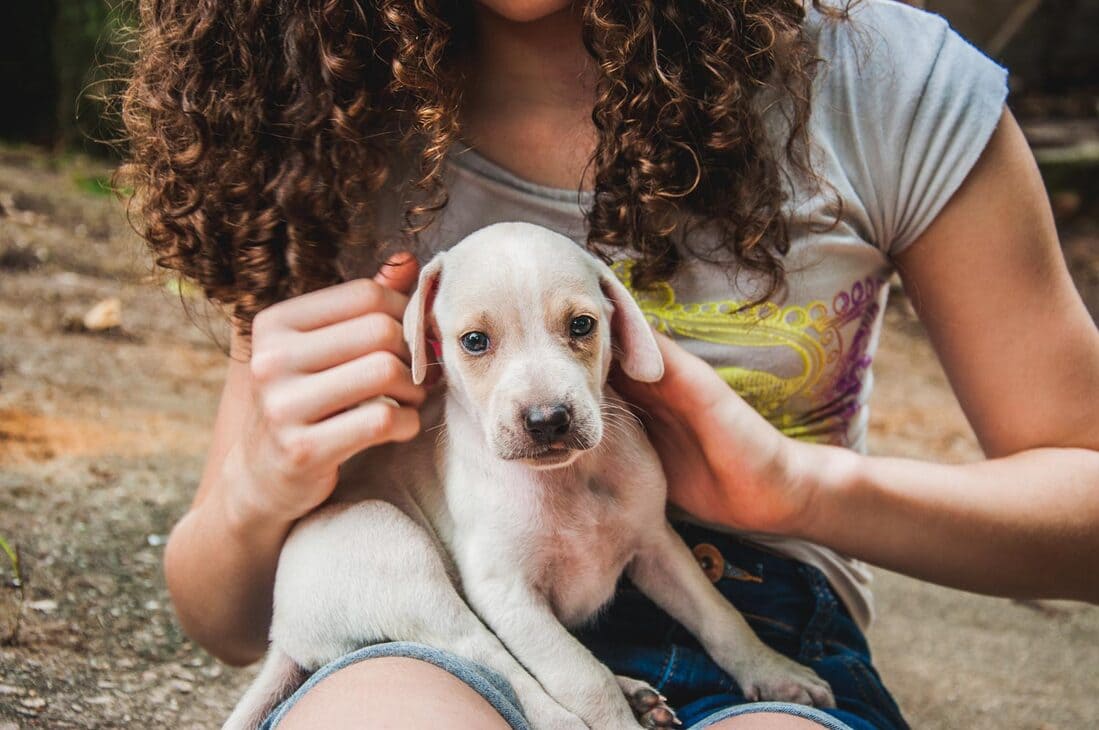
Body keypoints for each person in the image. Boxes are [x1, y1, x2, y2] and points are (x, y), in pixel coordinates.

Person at [121, 0, 1099, 728]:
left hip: (757, 602)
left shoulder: (881, 83)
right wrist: (257, 489)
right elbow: (228, 617)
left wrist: (800, 488)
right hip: (444, 609)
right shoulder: (310, 126)